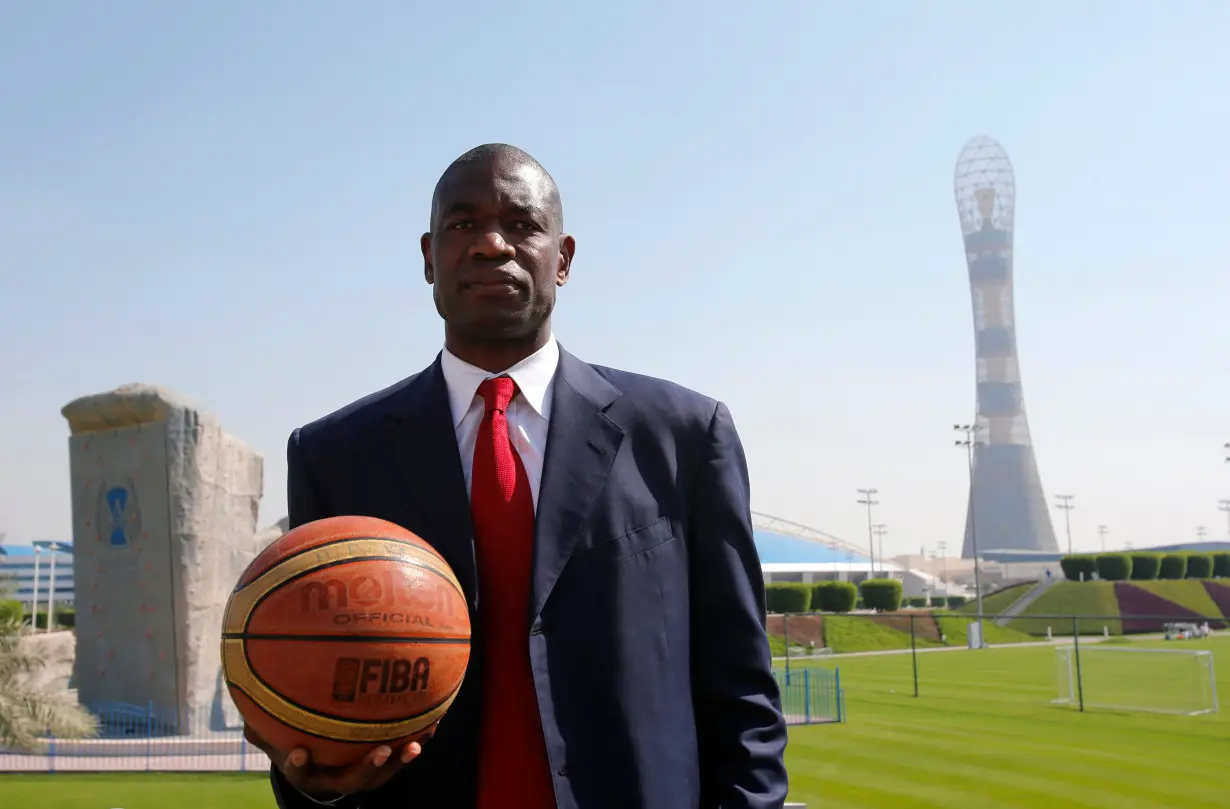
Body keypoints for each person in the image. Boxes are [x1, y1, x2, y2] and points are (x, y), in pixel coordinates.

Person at [248, 143, 789, 809]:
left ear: (562, 259)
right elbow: (309, 687)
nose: (491, 243)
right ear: (428, 258)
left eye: (523, 224)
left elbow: (741, 687)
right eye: (462, 225)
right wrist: (313, 779)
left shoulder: (682, 435)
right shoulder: (333, 455)